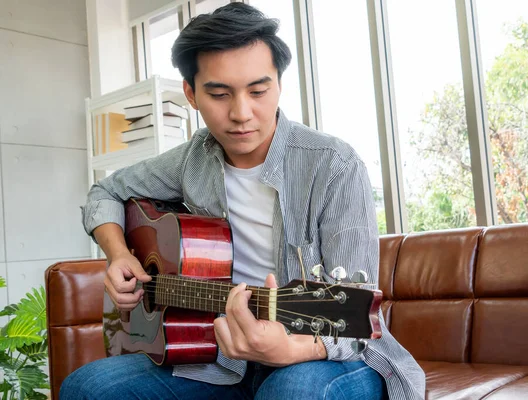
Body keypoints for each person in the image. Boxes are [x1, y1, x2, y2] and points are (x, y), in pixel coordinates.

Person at [61, 3, 425, 400]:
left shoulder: (333, 165)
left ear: (279, 85)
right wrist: (118, 254)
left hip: (332, 355)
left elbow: (354, 317)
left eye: (258, 90)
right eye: (219, 94)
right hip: (220, 357)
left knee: (292, 392)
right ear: (191, 94)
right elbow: (106, 192)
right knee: (87, 387)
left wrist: (289, 348)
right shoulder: (192, 158)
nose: (241, 113)